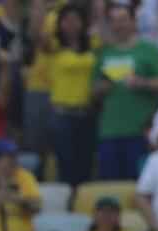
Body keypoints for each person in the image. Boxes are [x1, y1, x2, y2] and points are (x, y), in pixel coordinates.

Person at [93, 2, 158, 179]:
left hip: (139, 131)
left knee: (137, 184)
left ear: (134, 22)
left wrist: (143, 83)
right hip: (109, 132)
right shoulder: (104, 53)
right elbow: (94, 90)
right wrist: (101, 88)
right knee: (110, 186)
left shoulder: (149, 50)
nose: (118, 25)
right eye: (114, 21)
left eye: (123, 20)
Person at [41, 2, 98, 187]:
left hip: (87, 112)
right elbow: (37, 34)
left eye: (76, 19)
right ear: (59, 24)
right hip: (62, 115)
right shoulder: (53, 47)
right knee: (65, 166)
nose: (71, 24)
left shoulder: (93, 45)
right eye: (66, 20)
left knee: (86, 164)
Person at [69, 195, 138, 231]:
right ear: (94, 215)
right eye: (102, 211)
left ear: (119, 216)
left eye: (112, 211)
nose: (107, 215)